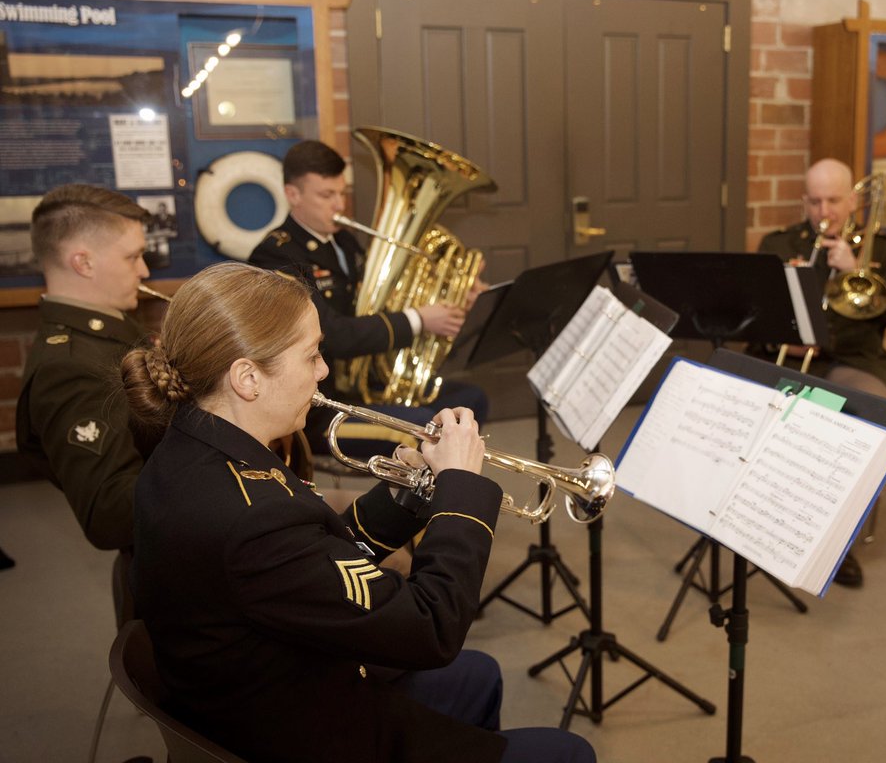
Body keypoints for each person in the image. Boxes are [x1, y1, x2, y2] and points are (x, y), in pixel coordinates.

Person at [120, 261, 594, 763]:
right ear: (247, 378)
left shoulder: (190, 449)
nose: (324, 371)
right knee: (567, 751)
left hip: (273, 679)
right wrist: (461, 492)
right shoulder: (248, 516)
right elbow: (433, 628)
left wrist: (408, 493)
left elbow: (314, 564)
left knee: (479, 678)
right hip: (308, 730)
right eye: (312, 355)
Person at [248, 139, 489, 456]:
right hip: (320, 405)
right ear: (293, 195)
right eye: (326, 195)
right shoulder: (276, 256)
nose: (338, 205)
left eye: (341, 193)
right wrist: (418, 319)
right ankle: (432, 501)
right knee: (423, 428)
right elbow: (332, 335)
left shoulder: (345, 242)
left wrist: (452, 299)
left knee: (471, 401)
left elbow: (377, 308)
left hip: (366, 386)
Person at [756, 158, 886, 587]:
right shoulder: (778, 243)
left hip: (853, 361)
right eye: (815, 201)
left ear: (853, 200)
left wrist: (853, 269)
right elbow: (757, 315)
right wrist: (782, 329)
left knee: (869, 418)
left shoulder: (879, 247)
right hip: (792, 358)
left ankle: (840, 544)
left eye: (835, 200)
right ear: (804, 201)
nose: (825, 211)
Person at [17, 184, 154, 622]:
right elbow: (109, 514)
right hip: (163, 576)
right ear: (83, 262)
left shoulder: (108, 332)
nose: (145, 269)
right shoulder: (71, 366)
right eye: (133, 256)